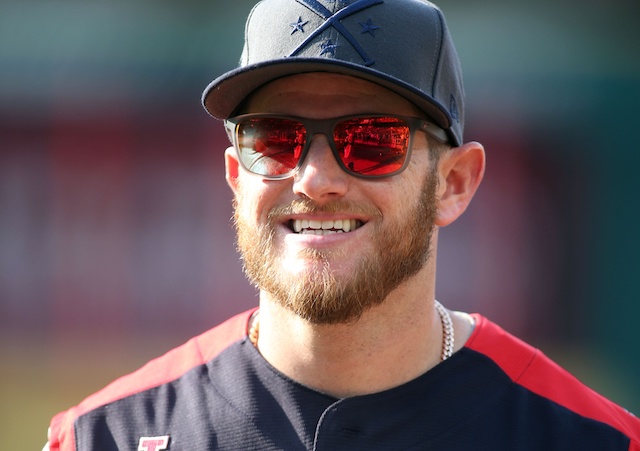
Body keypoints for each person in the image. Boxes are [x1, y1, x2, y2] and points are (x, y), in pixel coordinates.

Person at [45, 0, 640, 449]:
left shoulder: (592, 439)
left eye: (372, 140)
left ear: (454, 184)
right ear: (236, 174)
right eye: (276, 140)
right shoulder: (109, 436)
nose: (314, 180)